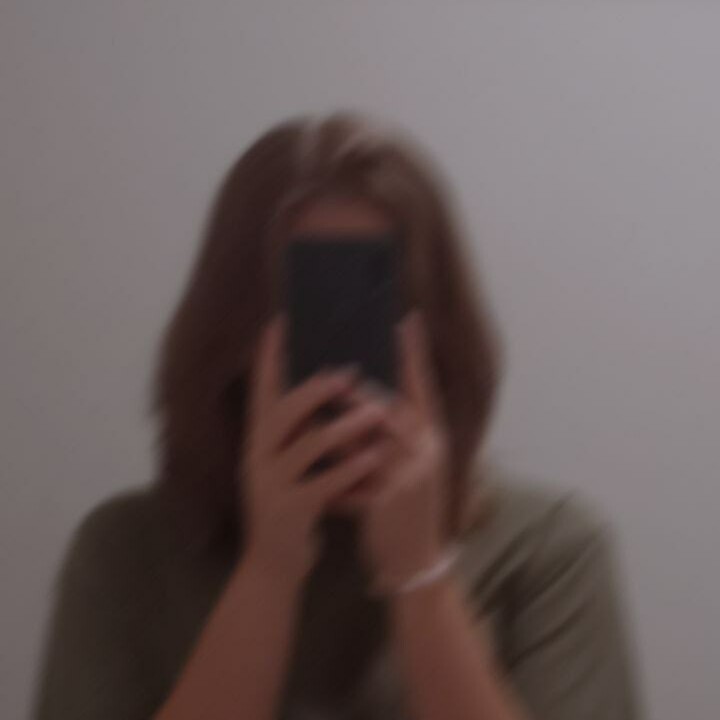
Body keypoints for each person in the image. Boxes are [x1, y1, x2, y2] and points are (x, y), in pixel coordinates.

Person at [33, 113, 642, 720]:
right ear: (232, 333)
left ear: (438, 332)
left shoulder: (547, 551)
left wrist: (420, 575)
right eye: (309, 309)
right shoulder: (126, 556)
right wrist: (269, 571)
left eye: (371, 310)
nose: (339, 365)